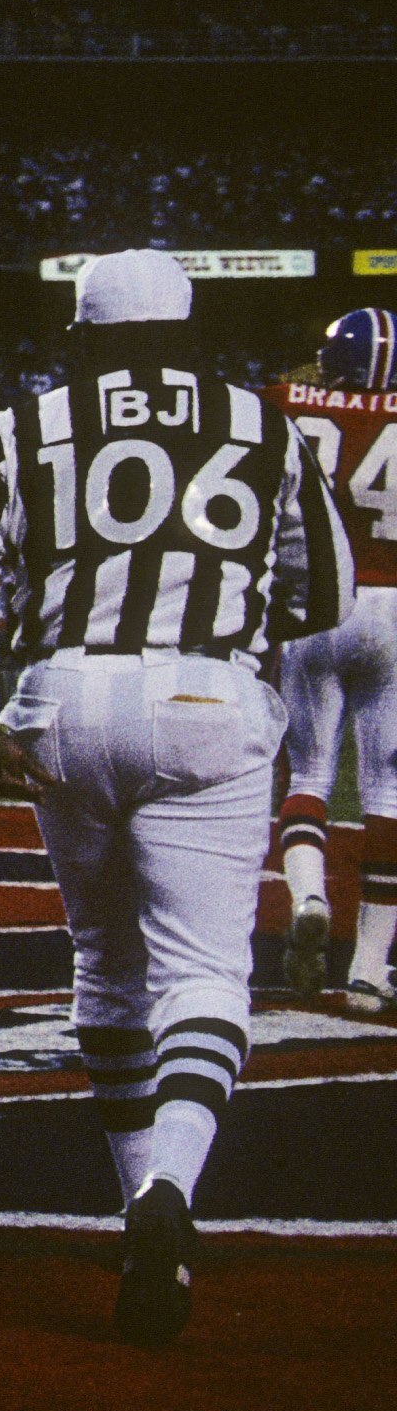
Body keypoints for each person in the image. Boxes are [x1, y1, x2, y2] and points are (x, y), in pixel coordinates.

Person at [0, 248, 349, 1347]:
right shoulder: (265, 425)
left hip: (61, 699)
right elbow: (330, 589)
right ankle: (171, 1192)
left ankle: (134, 1207)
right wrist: (228, 621)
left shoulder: (25, 423)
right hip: (208, 693)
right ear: (189, 332)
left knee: (106, 965)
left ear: (86, 335)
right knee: (203, 972)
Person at [265, 306, 397, 1003]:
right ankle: (369, 970)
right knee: (389, 790)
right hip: (394, 607)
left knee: (308, 772)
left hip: (316, 598)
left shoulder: (286, 403)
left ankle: (310, 896)